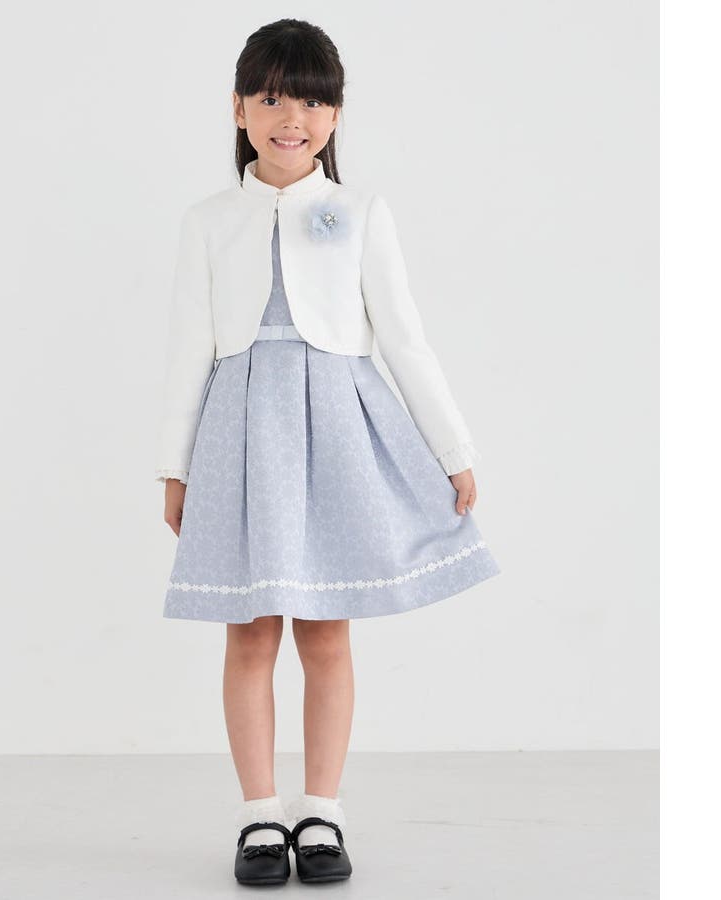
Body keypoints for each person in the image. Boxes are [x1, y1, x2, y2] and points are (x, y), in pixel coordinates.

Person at [153, 17, 501, 885]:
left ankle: (321, 812)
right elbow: (189, 348)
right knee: (249, 634)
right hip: (241, 438)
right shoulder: (208, 221)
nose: (292, 118)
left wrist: (452, 448)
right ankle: (258, 816)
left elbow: (405, 339)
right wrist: (175, 466)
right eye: (272, 98)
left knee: (326, 633)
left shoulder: (361, 213)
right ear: (239, 108)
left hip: (339, 433)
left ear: (336, 115)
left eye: (311, 101)